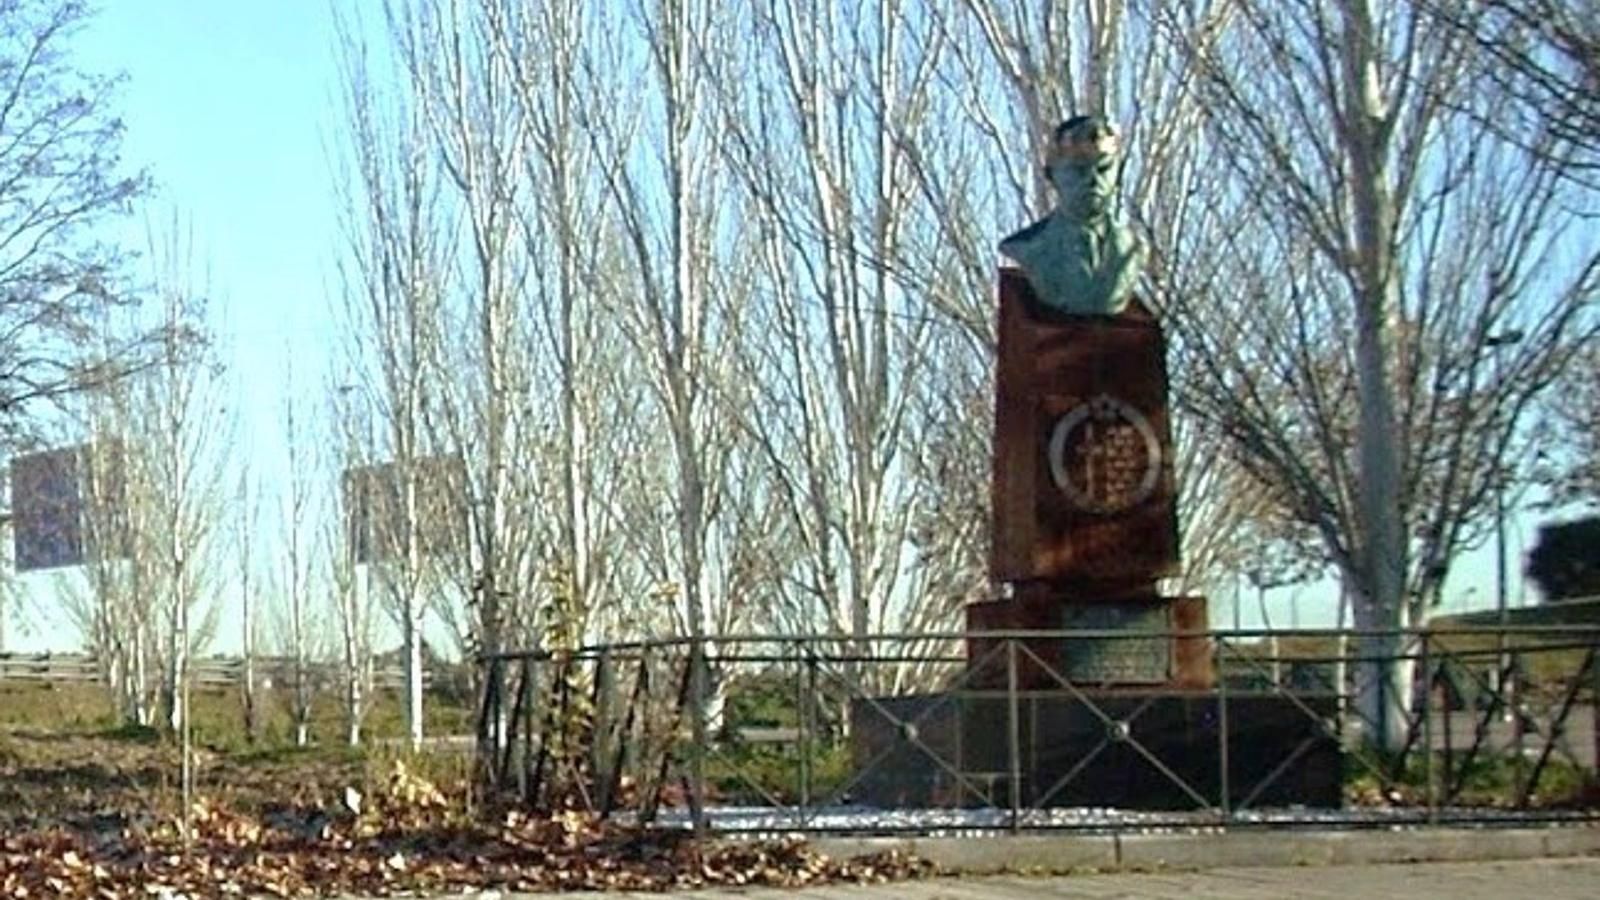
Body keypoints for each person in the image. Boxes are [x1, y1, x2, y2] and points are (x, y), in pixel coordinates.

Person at [998, 116, 1145, 316]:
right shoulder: (1028, 246)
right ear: (1052, 175)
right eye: (1079, 169)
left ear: (1118, 175)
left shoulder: (1133, 248)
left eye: (1104, 169)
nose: (1093, 180)